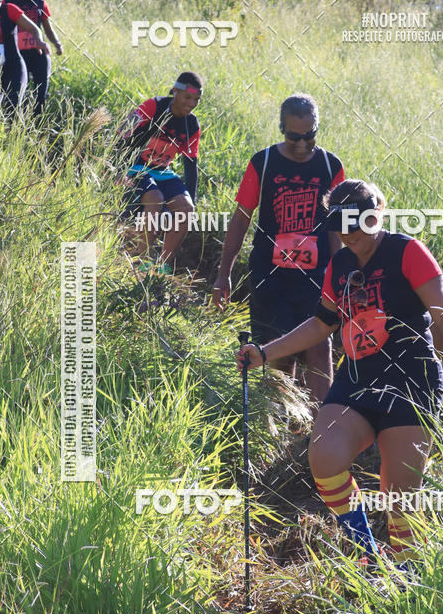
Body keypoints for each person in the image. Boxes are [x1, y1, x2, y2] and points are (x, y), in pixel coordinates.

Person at [236, 179, 443, 576]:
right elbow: (321, 324)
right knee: (324, 456)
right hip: (358, 381)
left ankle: (405, 577)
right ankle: (367, 551)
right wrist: (265, 354)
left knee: (400, 497)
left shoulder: (407, 251)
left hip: (411, 382)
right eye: (341, 226)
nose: (350, 235)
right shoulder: (340, 266)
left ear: (375, 214)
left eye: (357, 224)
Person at [213, 93, 345, 404]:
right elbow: (240, 220)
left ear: (317, 128)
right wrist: (223, 275)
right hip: (270, 277)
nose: (302, 145)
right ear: (281, 128)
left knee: (319, 347)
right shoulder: (264, 162)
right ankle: (282, 432)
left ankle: (319, 432)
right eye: (293, 137)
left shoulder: (331, 165)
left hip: (316, 277)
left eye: (309, 136)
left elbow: (339, 230)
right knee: (278, 351)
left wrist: (343, 278)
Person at [115, 71, 202, 273]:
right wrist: (116, 169)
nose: (191, 103)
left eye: (196, 99)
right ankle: (143, 261)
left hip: (162, 171)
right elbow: (121, 133)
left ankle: (163, 266)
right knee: (155, 198)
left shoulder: (192, 124)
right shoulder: (153, 106)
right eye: (187, 97)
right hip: (135, 165)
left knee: (187, 210)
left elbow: (191, 164)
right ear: (174, 92)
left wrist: (192, 199)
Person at [4, 0, 62, 117]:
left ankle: (38, 127)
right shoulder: (7, 4)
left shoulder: (40, 4)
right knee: (17, 93)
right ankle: (17, 126)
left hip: (38, 54)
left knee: (41, 94)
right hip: (17, 55)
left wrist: (57, 43)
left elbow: (48, 29)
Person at [0, 0, 50, 120]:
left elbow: (34, 28)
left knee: (13, 108)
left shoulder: (9, 10)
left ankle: (20, 140)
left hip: (14, 68)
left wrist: (39, 40)